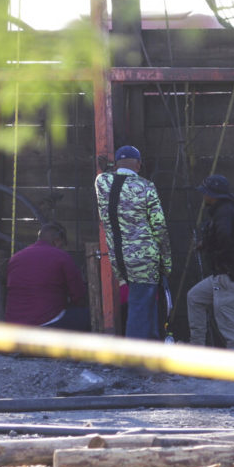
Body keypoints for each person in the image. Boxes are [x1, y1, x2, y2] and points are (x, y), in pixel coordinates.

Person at [95, 145, 172, 339]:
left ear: (117, 164)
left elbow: (110, 176)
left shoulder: (101, 182)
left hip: (119, 258)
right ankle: (134, 363)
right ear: (138, 165)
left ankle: (152, 355)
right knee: (140, 306)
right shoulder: (146, 187)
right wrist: (167, 263)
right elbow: (159, 227)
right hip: (144, 257)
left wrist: (110, 166)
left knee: (146, 303)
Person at [187, 174, 234, 350]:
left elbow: (224, 237)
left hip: (228, 276)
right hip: (225, 275)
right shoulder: (227, 210)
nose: (204, 196)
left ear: (213, 195)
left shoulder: (224, 212)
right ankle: (196, 349)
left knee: (230, 327)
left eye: (206, 193)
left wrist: (211, 249)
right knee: (194, 297)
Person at [5, 221, 89, 330]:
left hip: (14, 324)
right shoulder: (61, 256)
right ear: (57, 240)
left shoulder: (15, 258)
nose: (62, 248)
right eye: (62, 245)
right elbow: (78, 295)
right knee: (90, 316)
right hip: (45, 322)